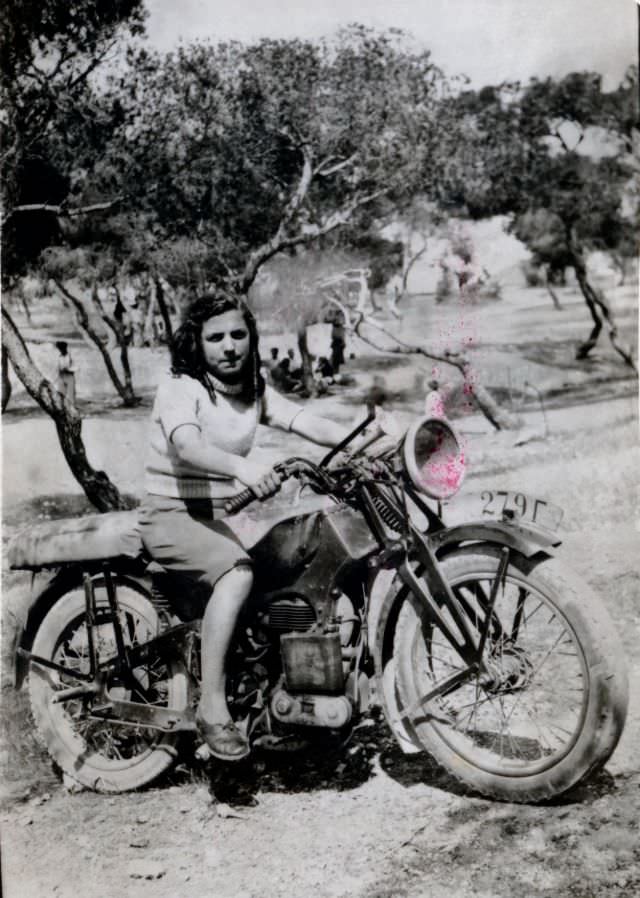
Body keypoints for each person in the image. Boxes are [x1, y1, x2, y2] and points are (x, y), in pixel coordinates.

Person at [138, 290, 353, 761]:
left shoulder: (250, 389)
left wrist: (364, 438)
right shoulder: (181, 389)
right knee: (238, 573)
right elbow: (188, 448)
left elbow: (302, 419)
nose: (230, 345)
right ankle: (212, 708)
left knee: (296, 556)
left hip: (223, 513)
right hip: (172, 515)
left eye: (238, 334)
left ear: (251, 337)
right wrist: (240, 468)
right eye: (216, 337)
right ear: (196, 343)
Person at [55, 341, 76, 407]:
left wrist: (68, 369)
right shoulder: (59, 357)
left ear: (65, 348)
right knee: (61, 395)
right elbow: (57, 367)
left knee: (71, 395)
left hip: (70, 377)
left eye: (62, 348)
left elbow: (76, 367)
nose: (61, 350)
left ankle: (72, 410)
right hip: (61, 377)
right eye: (60, 349)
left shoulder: (70, 356)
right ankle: (63, 409)